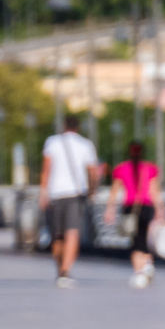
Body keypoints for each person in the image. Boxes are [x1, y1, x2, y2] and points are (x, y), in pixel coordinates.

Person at [40, 118, 102, 290]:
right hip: (76, 193)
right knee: (72, 233)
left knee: (57, 236)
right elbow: (93, 171)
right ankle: (65, 271)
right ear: (78, 127)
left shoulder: (52, 142)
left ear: (63, 126)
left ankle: (62, 269)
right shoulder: (86, 145)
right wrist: (92, 191)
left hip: (54, 193)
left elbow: (46, 170)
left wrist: (42, 193)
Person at [109, 141, 163, 288]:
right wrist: (160, 210)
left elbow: (114, 191)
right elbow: (154, 191)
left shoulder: (121, 169)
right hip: (146, 206)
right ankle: (148, 263)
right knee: (144, 236)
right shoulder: (150, 168)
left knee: (135, 240)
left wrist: (110, 209)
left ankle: (139, 272)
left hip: (130, 208)